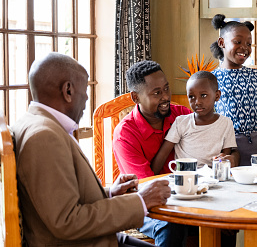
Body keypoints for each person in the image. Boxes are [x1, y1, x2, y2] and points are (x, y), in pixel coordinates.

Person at [12, 53, 171, 246]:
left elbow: (61, 199)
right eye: (85, 89)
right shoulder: (43, 137)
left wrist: (110, 193)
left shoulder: (35, 124)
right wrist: (140, 201)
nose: (87, 98)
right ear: (68, 90)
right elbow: (67, 221)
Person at [113, 60, 191, 247]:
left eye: (166, 88)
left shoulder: (182, 115)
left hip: (187, 199)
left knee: (222, 223)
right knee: (170, 224)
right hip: (145, 206)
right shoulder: (125, 134)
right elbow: (149, 189)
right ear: (136, 97)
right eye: (157, 93)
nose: (165, 97)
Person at [210, 14, 257, 166]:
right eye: (237, 42)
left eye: (248, 43)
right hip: (227, 147)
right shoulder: (211, 79)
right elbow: (209, 118)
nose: (244, 48)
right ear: (222, 42)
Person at [151, 71, 239, 174]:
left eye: (203, 95)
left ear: (217, 95)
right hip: (185, 177)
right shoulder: (181, 122)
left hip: (212, 178)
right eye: (191, 97)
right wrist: (151, 179)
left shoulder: (226, 123)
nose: (197, 102)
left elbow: (225, 156)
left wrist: (223, 160)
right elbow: (163, 154)